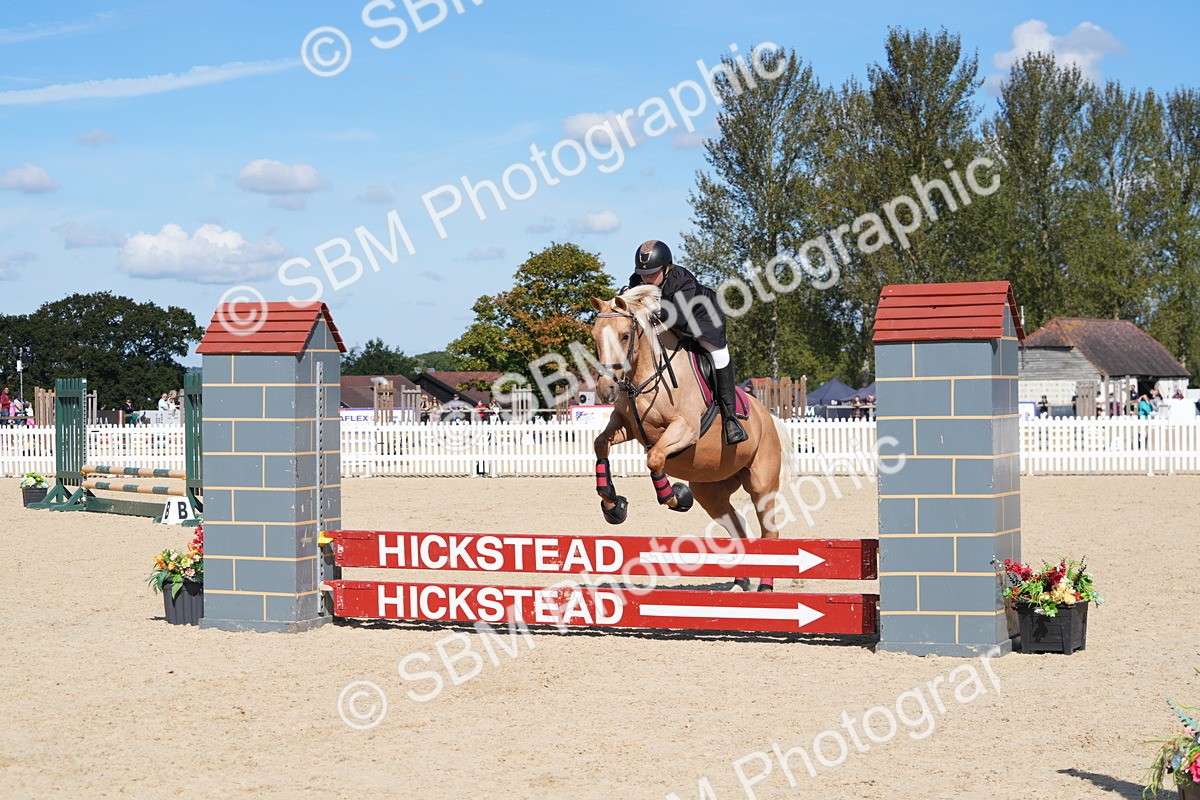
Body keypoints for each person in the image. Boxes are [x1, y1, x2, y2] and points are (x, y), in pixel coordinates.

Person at [627, 239, 747, 444]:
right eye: (643, 273)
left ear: (667, 268)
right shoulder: (638, 279)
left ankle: (730, 419)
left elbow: (680, 319)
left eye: (652, 272)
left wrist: (655, 308)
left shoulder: (683, 280)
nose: (646, 277)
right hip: (669, 327)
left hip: (703, 322)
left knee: (719, 355)